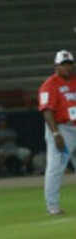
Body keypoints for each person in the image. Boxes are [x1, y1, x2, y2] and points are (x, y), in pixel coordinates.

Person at [38, 49, 76, 215]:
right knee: (56, 167)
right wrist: (55, 134)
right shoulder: (49, 84)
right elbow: (47, 110)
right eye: (63, 64)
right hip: (62, 128)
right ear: (56, 66)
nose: (67, 68)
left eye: (69, 64)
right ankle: (52, 206)